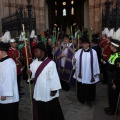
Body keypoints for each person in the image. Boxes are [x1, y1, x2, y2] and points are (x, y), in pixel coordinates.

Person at [28, 42, 64, 120]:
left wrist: (54, 90)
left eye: (37, 51)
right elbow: (32, 76)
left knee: (49, 110)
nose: (35, 53)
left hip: (48, 92)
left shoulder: (50, 63)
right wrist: (29, 73)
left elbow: (54, 77)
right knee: (40, 109)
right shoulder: (34, 63)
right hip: (38, 91)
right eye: (34, 51)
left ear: (43, 52)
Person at [73, 36, 100, 106]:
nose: (83, 45)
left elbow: (96, 63)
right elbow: (74, 60)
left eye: (85, 43)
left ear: (88, 44)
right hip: (81, 73)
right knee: (81, 86)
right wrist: (74, 61)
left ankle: (89, 100)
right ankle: (82, 99)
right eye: (82, 43)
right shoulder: (79, 52)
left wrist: (96, 72)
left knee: (89, 86)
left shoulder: (93, 52)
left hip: (89, 74)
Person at [0, 41, 19, 120]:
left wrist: (5, 94)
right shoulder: (3, 62)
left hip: (8, 99)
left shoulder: (8, 63)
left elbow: (8, 79)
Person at [104, 39, 120, 115]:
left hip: (114, 79)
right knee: (110, 94)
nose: (110, 46)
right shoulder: (113, 53)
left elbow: (118, 72)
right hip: (110, 77)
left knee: (114, 95)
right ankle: (110, 107)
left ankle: (113, 110)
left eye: (111, 45)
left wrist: (114, 82)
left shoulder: (118, 57)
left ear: (114, 47)